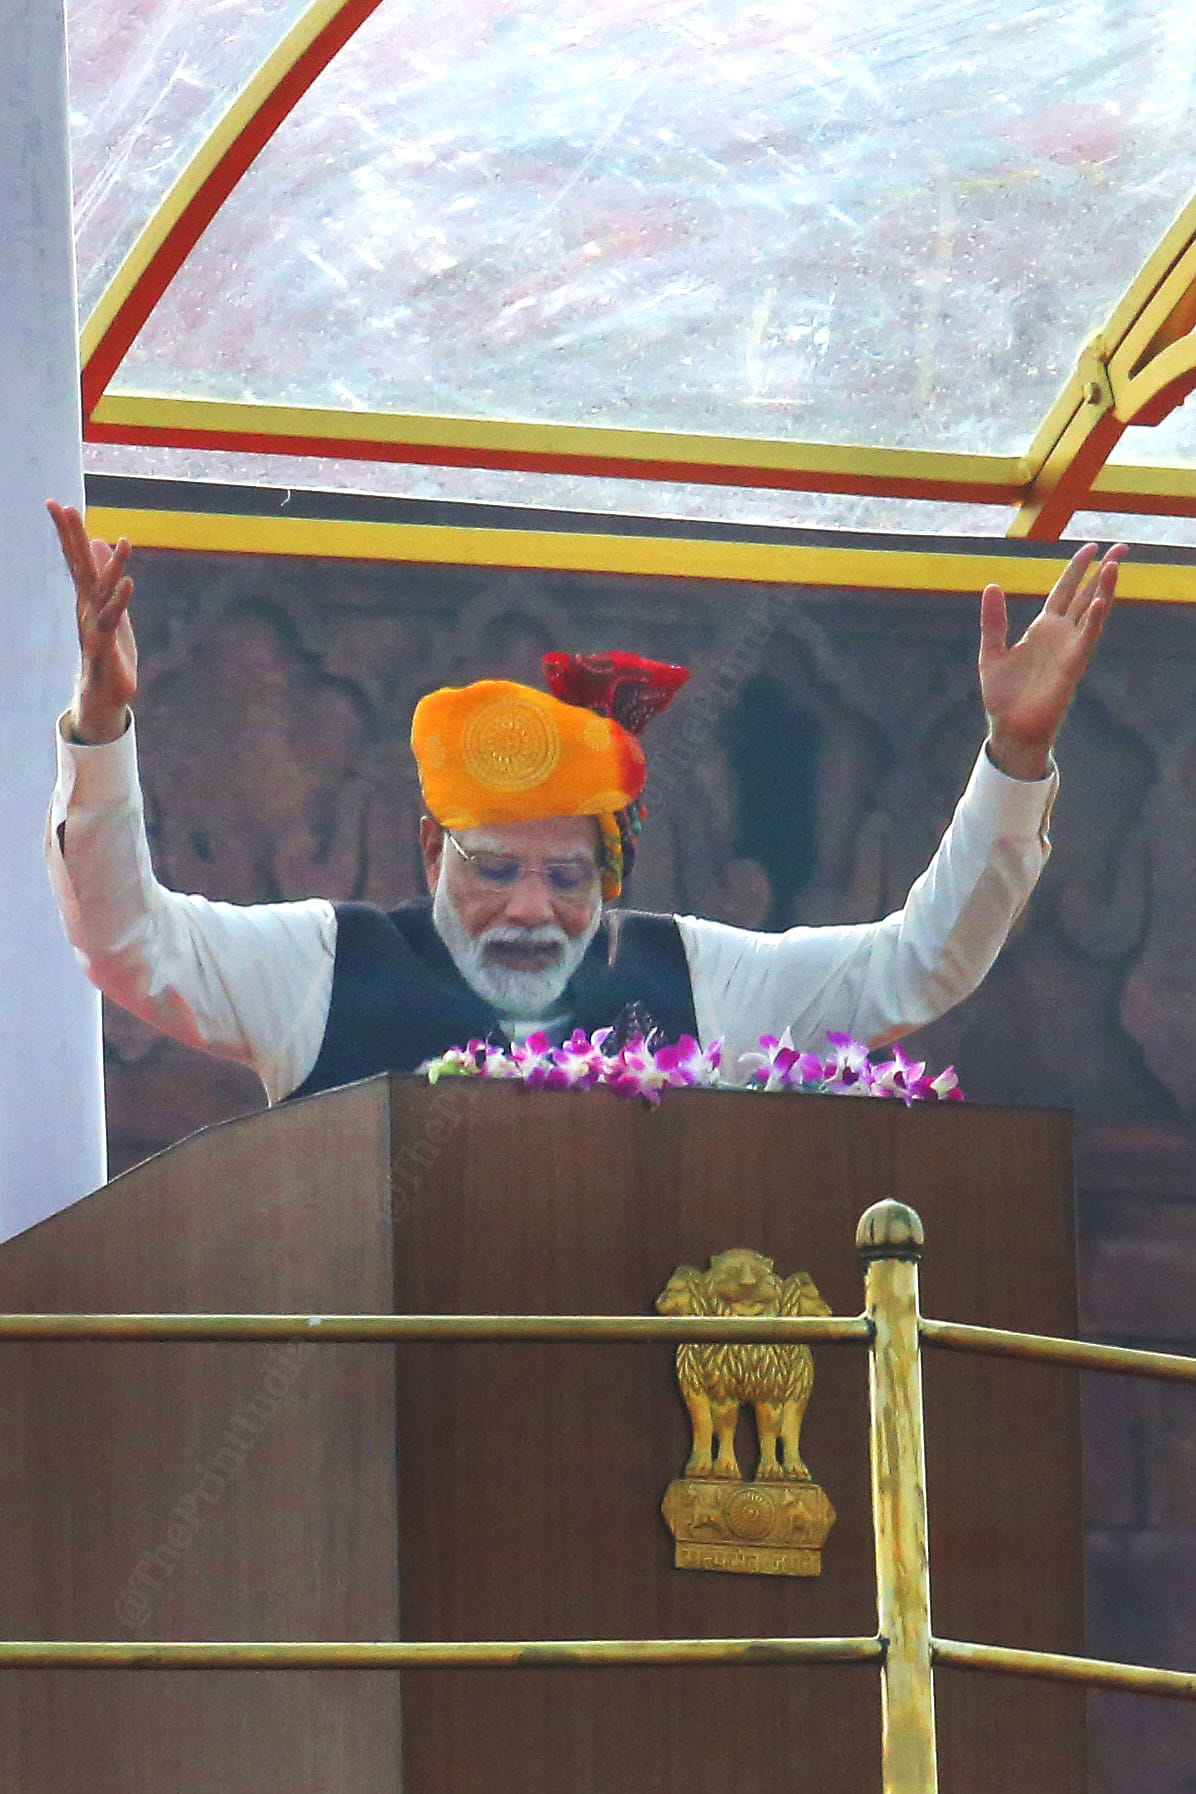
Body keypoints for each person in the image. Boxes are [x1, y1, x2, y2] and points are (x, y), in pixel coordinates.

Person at [44, 500, 1125, 1103]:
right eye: (495, 868)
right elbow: (128, 942)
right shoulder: (326, 969)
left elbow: (914, 962)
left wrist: (1012, 754)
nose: (529, 910)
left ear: (612, 877)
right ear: (431, 848)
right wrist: (101, 730)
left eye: (568, 878)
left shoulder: (700, 978)